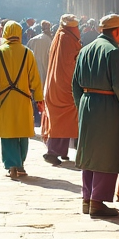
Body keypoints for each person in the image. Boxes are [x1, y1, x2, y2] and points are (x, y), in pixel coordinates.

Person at [72, 14, 119, 219]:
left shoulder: (84, 50)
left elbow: (75, 85)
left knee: (89, 152)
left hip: (87, 103)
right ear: (117, 31)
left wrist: (82, 105)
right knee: (105, 153)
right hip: (107, 106)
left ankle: (87, 198)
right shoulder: (114, 53)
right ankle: (98, 201)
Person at [0, 21, 43, 180]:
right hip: (23, 99)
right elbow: (35, 79)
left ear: (5, 33)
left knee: (8, 133)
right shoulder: (27, 53)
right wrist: (39, 99)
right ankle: (20, 164)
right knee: (22, 132)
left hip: (5, 100)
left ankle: (11, 165)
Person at [42, 14, 82, 166]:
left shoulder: (60, 36)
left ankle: (62, 151)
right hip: (64, 85)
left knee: (62, 119)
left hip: (55, 84)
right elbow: (69, 65)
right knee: (63, 119)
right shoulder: (66, 39)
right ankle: (52, 151)